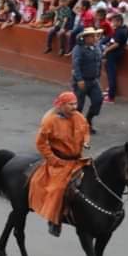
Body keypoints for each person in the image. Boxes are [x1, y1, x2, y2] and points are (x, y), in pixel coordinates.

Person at [29, 91, 91, 237]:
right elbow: (41, 143)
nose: (75, 107)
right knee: (58, 188)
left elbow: (86, 129)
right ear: (62, 105)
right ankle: (54, 220)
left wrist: (87, 141)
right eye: (71, 104)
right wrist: (53, 159)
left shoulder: (79, 117)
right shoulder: (50, 121)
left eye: (75, 103)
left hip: (77, 160)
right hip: (59, 163)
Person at [71, 27, 104, 131]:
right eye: (92, 36)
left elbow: (99, 62)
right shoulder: (78, 49)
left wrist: (98, 76)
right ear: (85, 38)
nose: (95, 38)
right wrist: (79, 79)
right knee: (78, 105)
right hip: (82, 80)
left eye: (95, 36)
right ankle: (76, 125)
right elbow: (76, 65)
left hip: (93, 80)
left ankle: (88, 119)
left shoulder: (96, 47)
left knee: (98, 100)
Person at [102, 13, 128, 102]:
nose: (112, 23)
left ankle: (111, 97)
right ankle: (110, 91)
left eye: (113, 22)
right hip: (116, 54)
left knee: (111, 74)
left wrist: (106, 50)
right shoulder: (124, 29)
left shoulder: (119, 31)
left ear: (119, 22)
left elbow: (116, 44)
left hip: (113, 54)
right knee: (111, 73)